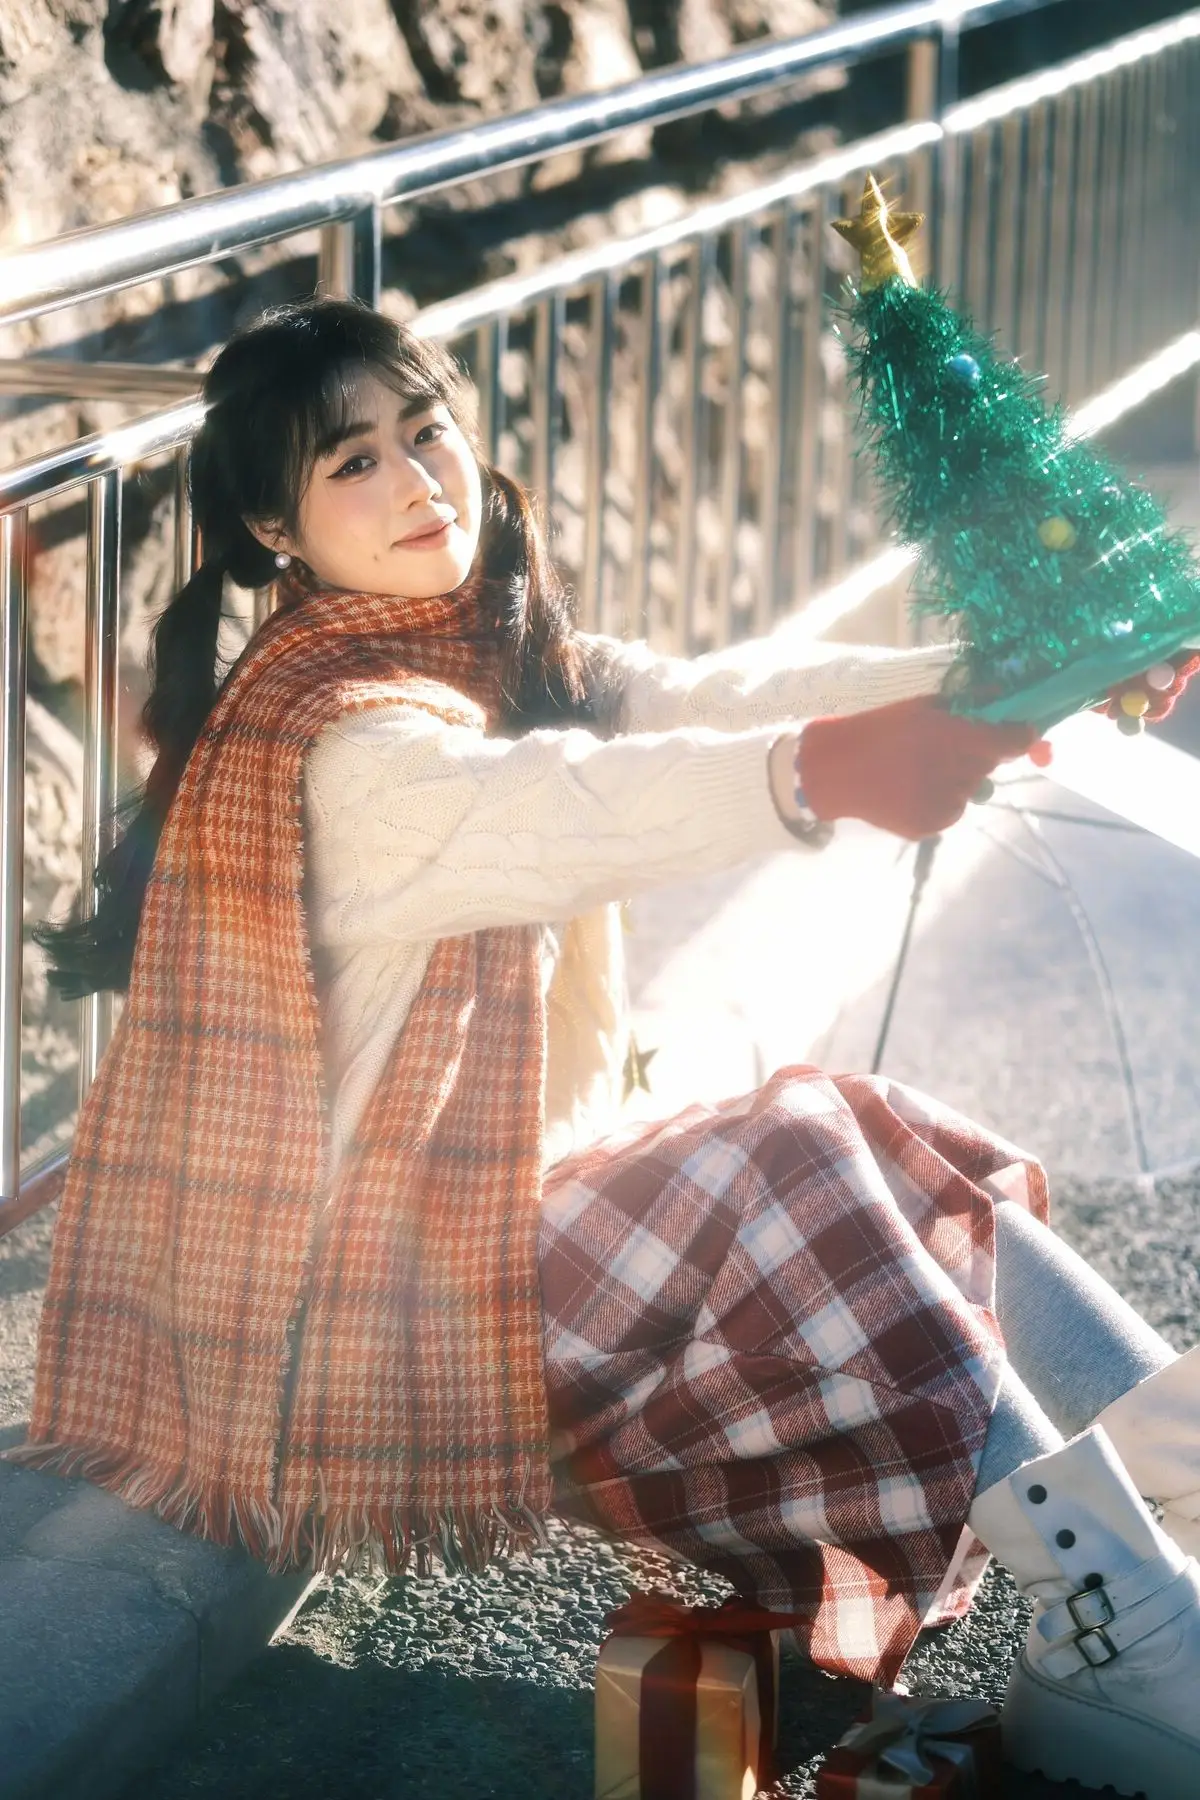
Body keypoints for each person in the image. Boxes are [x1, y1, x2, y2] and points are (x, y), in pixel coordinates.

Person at [11, 298, 1199, 1800]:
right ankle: (1121, 1624)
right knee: (789, 1158)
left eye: (426, 431)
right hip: (364, 1322)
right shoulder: (344, 743)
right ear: (273, 527)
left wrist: (1013, 677)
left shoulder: (491, 647)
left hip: (492, 1241)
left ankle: (1180, 1506)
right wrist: (824, 774)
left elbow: (706, 698)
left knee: (861, 1123)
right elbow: (575, 803)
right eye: (353, 464)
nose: (418, 481)